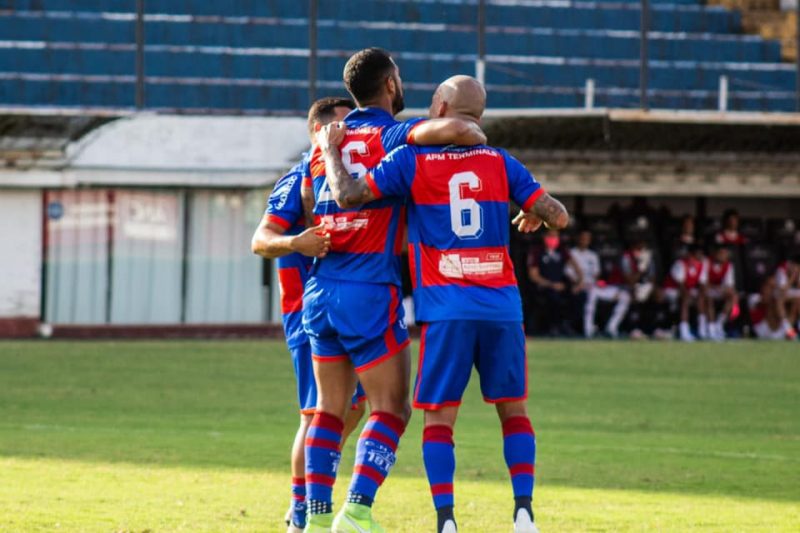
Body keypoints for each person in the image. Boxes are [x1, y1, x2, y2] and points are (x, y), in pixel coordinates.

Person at [318, 74, 569, 533]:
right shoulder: (501, 162)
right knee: (513, 411)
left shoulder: (411, 160)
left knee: (439, 419)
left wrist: (331, 151)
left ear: (439, 107)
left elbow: (349, 195)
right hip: (501, 308)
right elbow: (558, 214)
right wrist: (532, 211)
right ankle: (524, 513)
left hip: (446, 307)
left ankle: (447, 521)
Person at [301, 49, 488, 533]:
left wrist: (330, 152)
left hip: (320, 286)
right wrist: (442, 121)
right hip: (368, 286)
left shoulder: (326, 142)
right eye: (400, 78)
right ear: (389, 85)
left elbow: (308, 202)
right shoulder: (394, 135)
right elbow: (464, 132)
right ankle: (357, 512)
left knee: (328, 408)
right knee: (391, 407)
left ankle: (317, 520)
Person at [250, 98, 367, 533]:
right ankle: (301, 510)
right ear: (316, 131)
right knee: (317, 415)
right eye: (338, 125)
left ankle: (315, 483)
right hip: (309, 314)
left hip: (348, 306)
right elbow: (260, 240)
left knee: (353, 408)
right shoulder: (298, 177)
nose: (346, 132)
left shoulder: (343, 172)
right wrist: (295, 242)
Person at [572, 230, 630, 338]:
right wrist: (580, 284)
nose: (585, 241)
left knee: (625, 296)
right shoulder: (572, 253)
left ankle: (611, 328)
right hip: (579, 286)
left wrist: (595, 283)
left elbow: (597, 274)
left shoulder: (593, 255)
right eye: (583, 238)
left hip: (593, 285)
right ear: (578, 239)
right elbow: (569, 274)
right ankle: (588, 330)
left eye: (587, 239)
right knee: (592, 294)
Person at [527, 229, 581, 336]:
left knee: (577, 296)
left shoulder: (562, 251)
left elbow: (576, 267)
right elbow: (533, 276)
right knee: (553, 297)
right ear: (544, 236)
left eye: (555, 236)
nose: (553, 239)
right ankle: (553, 327)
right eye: (550, 236)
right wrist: (552, 284)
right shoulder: (537, 251)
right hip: (544, 285)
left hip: (560, 285)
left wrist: (579, 282)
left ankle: (568, 325)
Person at [663, 244, 707, 341]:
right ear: (691, 255)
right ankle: (684, 331)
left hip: (688, 290)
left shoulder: (701, 265)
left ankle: (703, 330)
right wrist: (689, 296)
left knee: (702, 299)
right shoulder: (680, 264)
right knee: (685, 299)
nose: (700, 257)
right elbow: (681, 285)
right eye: (697, 254)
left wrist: (700, 295)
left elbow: (702, 284)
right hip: (671, 290)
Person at [620, 238, 657, 339]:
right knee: (635, 293)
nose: (641, 250)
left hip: (644, 285)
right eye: (639, 248)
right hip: (628, 286)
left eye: (643, 248)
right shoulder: (626, 257)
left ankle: (654, 328)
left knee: (657, 294)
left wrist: (649, 287)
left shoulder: (647, 257)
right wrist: (641, 269)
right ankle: (633, 328)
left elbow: (652, 277)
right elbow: (629, 280)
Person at [703, 245, 737, 341]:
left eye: (725, 254)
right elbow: (703, 282)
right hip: (707, 290)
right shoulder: (707, 262)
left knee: (733, 296)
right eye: (721, 253)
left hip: (719, 290)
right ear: (715, 254)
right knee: (708, 297)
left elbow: (729, 285)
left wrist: (722, 289)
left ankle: (719, 324)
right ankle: (711, 328)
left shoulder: (728, 266)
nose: (723, 256)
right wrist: (715, 287)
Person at [775, 254, 800, 337]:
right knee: (780, 299)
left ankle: (791, 330)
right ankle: (787, 328)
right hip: (779, 292)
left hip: (793, 293)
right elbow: (783, 289)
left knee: (797, 302)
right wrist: (793, 277)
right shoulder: (782, 269)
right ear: (791, 264)